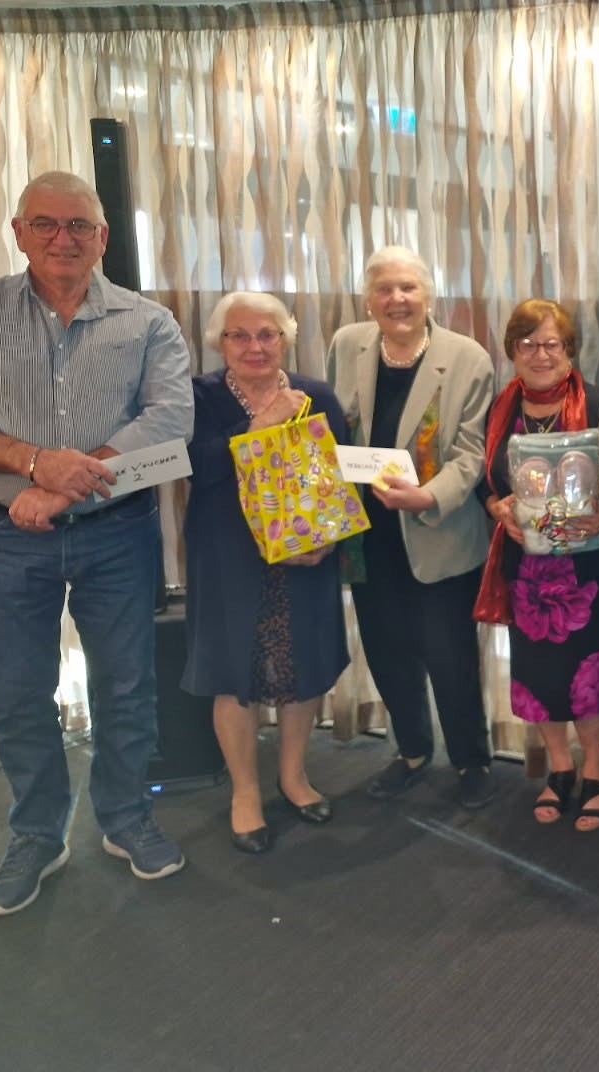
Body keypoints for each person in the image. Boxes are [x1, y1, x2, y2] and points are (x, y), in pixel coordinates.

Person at [0, 170, 194, 915]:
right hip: (4, 534)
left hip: (116, 533)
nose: (63, 238)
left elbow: (170, 421)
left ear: (103, 237)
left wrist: (63, 484)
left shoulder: (149, 323)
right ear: (18, 232)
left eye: (79, 226)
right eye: (45, 224)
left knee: (126, 687)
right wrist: (33, 465)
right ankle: (37, 834)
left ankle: (126, 818)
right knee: (18, 694)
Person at [327, 246, 498, 810]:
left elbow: (472, 453)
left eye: (408, 288)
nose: (396, 299)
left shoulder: (467, 357)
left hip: (437, 530)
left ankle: (471, 759)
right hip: (368, 534)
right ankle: (413, 750)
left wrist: (428, 496)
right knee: (386, 650)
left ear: (429, 296)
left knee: (450, 657)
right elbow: (334, 430)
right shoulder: (347, 344)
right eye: (384, 289)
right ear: (368, 299)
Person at [184, 293, 350, 854]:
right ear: (220, 343)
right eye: (240, 335)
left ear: (285, 339)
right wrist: (260, 424)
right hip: (228, 558)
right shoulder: (198, 396)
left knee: (301, 666)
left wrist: (328, 538)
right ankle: (246, 792)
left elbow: (339, 474)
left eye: (267, 334)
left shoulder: (317, 395)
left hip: (304, 558)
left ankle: (294, 777)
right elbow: (195, 467)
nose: (254, 346)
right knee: (236, 674)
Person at [478, 300, 599, 831]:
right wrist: (496, 507)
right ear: (512, 350)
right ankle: (560, 769)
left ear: (569, 351)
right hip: (528, 573)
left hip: (590, 572)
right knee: (540, 674)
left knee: (591, 673)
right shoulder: (499, 409)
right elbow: (483, 479)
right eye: (527, 344)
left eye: (551, 344)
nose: (539, 354)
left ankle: (596, 771)